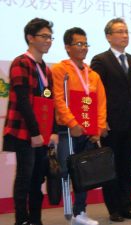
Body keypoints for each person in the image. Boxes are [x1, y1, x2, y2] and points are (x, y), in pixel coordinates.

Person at [2, 18, 58, 225]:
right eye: (44, 36)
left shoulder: (46, 69)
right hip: (24, 131)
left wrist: (51, 132)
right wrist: (35, 133)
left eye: (50, 37)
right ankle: (21, 220)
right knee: (24, 178)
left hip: (41, 133)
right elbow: (23, 102)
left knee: (38, 179)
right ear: (30, 38)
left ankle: (36, 219)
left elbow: (49, 103)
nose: (48, 41)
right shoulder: (21, 63)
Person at [51, 27, 107, 225]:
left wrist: (98, 128)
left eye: (85, 44)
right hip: (68, 130)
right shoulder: (59, 70)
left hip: (88, 130)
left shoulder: (93, 75)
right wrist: (72, 123)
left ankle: (79, 212)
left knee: (84, 172)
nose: (83, 48)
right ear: (67, 47)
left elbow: (100, 103)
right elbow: (58, 99)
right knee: (67, 170)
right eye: (79, 44)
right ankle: (69, 210)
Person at [90, 18, 131, 222]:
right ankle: (113, 209)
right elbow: (96, 93)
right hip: (110, 123)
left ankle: (127, 206)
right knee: (111, 167)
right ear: (108, 36)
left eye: (127, 31)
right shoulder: (100, 60)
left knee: (126, 166)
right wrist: (101, 120)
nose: (125, 35)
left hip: (130, 122)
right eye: (120, 31)